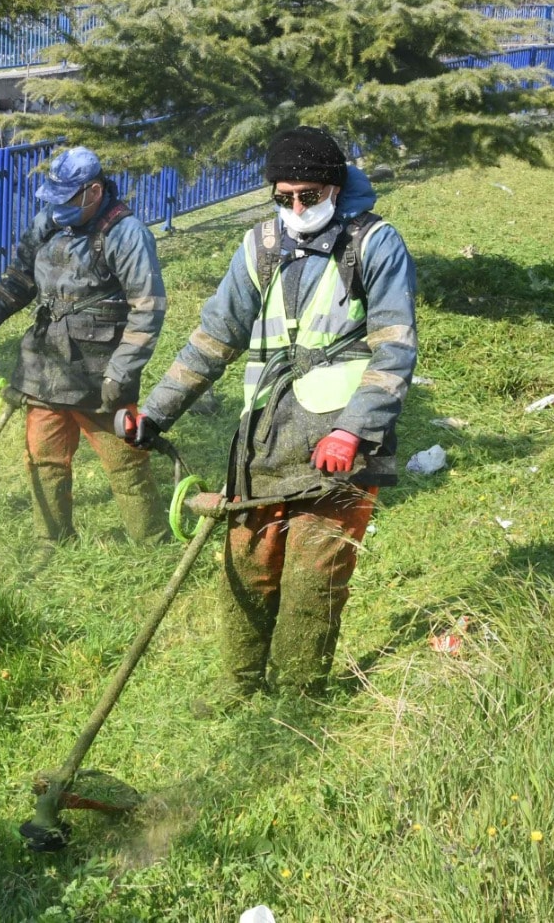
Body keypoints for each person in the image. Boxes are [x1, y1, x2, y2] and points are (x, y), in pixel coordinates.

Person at [120, 126, 417, 701]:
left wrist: (353, 431)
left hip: (339, 453)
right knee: (247, 568)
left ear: (334, 186)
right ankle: (240, 686)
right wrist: (155, 413)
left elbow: (395, 350)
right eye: (285, 199)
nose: (298, 209)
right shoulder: (261, 246)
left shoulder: (375, 245)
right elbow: (213, 338)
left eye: (309, 195)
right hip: (263, 440)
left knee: (313, 574)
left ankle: (298, 699)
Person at [0, 146, 169, 546]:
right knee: (44, 460)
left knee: (125, 464)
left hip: (101, 373)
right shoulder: (48, 222)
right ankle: (53, 539)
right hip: (45, 364)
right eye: (53, 198)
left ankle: (152, 543)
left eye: (67, 199)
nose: (57, 208)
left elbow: (147, 311)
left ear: (93, 192)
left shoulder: (128, 235)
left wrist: (121, 372)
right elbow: (18, 278)